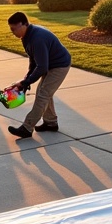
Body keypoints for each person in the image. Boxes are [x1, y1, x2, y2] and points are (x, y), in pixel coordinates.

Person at [5, 11, 72, 139]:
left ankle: (27, 127)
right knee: (44, 92)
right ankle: (51, 123)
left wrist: (26, 82)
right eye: (11, 29)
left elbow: (42, 67)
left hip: (60, 65)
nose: (12, 32)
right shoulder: (26, 37)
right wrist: (26, 81)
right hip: (50, 64)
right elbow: (33, 61)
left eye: (14, 29)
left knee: (43, 94)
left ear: (23, 24)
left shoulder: (37, 38)